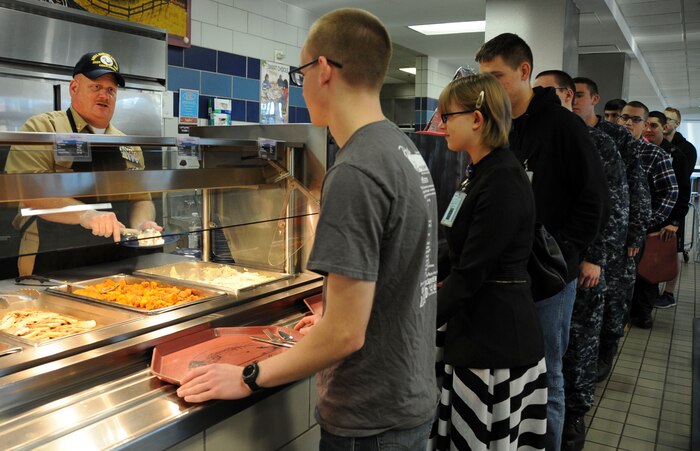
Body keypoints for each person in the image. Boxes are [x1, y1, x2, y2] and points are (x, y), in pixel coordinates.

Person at [177, 8, 439, 450]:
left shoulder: (355, 169)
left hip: (369, 419)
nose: (299, 90)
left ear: (322, 70)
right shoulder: (401, 148)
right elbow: (399, 273)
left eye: (298, 74)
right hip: (405, 396)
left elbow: (345, 335)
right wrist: (330, 312)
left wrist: (249, 376)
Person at [476, 34, 609, 451]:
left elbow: (595, 199)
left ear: (524, 72)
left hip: (549, 278)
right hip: (507, 273)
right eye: (484, 78)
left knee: (547, 372)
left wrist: (562, 253)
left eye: (496, 76)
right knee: (513, 370)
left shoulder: (563, 126)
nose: (489, 87)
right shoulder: (501, 126)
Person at [432, 72, 547, 451]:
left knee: (485, 439)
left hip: (496, 341)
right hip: (476, 329)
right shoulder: (479, 173)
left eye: (446, 116)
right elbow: (458, 247)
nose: (441, 125)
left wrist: (415, 318)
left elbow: (471, 273)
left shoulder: (502, 179)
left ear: (477, 119)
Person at [535, 70, 629, 451]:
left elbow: (611, 205)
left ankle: (574, 413)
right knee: (557, 345)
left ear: (571, 95)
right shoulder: (541, 135)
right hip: (546, 263)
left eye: (548, 92)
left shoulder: (599, 143)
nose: (539, 99)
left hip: (580, 262)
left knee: (578, 343)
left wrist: (594, 258)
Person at [5, 51, 161, 276]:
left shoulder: (126, 142)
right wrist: (86, 214)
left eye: (111, 90)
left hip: (117, 262)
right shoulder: (43, 128)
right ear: (74, 88)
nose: (104, 95)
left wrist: (142, 226)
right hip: (53, 259)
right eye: (96, 87)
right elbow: (30, 192)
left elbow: (140, 198)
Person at [570, 77, 651, 383]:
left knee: (615, 299)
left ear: (594, 98)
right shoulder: (568, 132)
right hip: (587, 237)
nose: (574, 101)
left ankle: (606, 352)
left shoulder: (614, 135)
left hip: (618, 235)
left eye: (579, 95)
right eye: (570, 95)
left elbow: (633, 186)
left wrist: (634, 232)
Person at [618, 101, 678, 328]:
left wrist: (646, 222)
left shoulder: (655, 154)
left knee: (640, 277)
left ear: (644, 125)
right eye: (624, 118)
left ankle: (636, 316)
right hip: (610, 230)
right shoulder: (608, 147)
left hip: (638, 230)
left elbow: (670, 191)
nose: (627, 123)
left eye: (635, 120)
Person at [642, 112, 690, 310]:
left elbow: (681, 190)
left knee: (655, 263)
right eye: (646, 125)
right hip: (645, 217)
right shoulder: (641, 149)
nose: (648, 129)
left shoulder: (677, 153)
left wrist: (675, 222)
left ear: (664, 127)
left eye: (654, 125)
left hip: (665, 219)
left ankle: (647, 309)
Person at [657, 106, 697, 308]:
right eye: (664, 118)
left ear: (677, 123)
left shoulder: (686, 149)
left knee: (673, 249)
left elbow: (681, 182)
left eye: (670, 119)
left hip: (675, 208)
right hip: (657, 208)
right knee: (656, 248)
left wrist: (675, 219)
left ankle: (669, 293)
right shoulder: (656, 144)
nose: (666, 122)